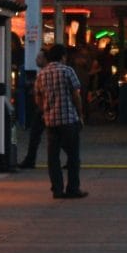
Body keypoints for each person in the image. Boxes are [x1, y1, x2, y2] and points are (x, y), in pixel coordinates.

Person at [34, 43, 87, 199]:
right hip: (69, 120)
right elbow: (76, 95)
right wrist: (80, 114)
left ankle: (57, 189)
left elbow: (37, 97)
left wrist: (45, 111)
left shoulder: (41, 74)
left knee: (53, 157)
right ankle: (73, 188)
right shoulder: (67, 71)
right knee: (73, 156)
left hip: (51, 121)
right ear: (63, 56)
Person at [18, 51, 46, 169]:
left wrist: (40, 107)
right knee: (36, 135)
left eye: (39, 57)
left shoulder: (43, 74)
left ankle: (30, 159)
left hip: (44, 109)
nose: (36, 60)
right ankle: (30, 158)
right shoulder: (42, 73)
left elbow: (39, 94)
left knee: (35, 135)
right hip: (45, 109)